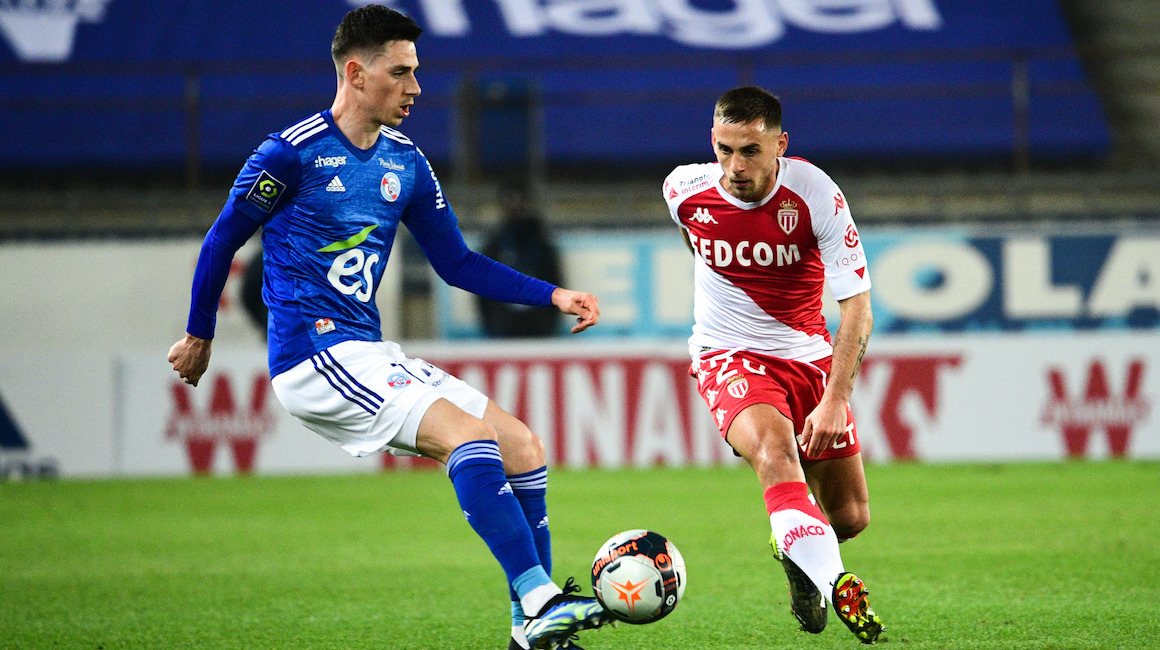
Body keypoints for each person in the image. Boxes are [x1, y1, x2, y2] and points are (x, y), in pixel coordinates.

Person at [167, 7, 611, 649]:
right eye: (400, 72)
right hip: (312, 356)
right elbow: (221, 240)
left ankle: (529, 632)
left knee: (521, 446)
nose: (416, 87)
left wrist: (553, 294)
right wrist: (198, 334)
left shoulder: (406, 162)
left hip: (367, 352)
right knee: (468, 438)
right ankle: (542, 600)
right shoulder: (289, 154)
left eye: (416, 72)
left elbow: (456, 264)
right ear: (356, 73)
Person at [663, 86, 885, 644]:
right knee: (774, 453)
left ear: (780, 145)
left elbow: (857, 308)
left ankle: (792, 547)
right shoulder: (682, 190)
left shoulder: (815, 194)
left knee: (850, 516)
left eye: (751, 151)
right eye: (724, 149)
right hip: (726, 353)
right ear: (712, 142)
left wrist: (835, 399)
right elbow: (699, 244)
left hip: (807, 357)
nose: (735, 166)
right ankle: (836, 583)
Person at [476, 180, 564, 338]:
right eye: (510, 201)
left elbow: (555, 283)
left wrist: (547, 325)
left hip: (539, 329)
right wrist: (492, 326)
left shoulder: (542, 244)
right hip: (503, 329)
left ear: (528, 203)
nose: (515, 207)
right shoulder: (495, 244)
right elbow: (482, 288)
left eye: (520, 201)